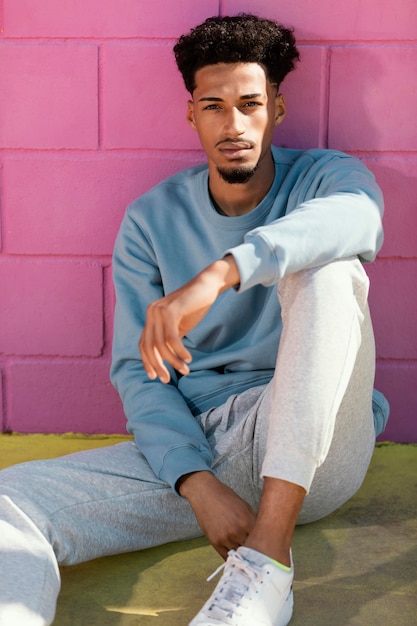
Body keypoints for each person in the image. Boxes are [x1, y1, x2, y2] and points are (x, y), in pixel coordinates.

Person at [0, 13, 389, 626]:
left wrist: (221, 272)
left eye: (250, 104)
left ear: (277, 109)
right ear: (192, 114)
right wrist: (196, 483)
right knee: (9, 501)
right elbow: (138, 372)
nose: (233, 125)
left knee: (331, 269)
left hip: (314, 449)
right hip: (208, 452)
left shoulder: (325, 177)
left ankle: (267, 564)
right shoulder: (151, 220)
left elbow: (359, 220)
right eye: (214, 106)